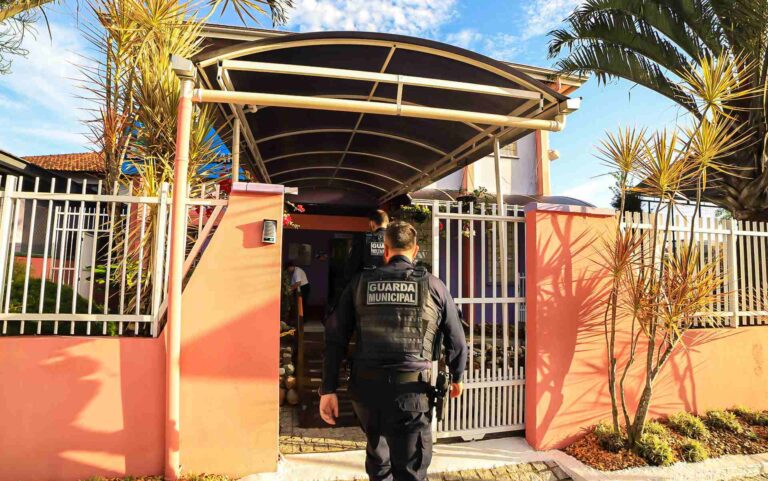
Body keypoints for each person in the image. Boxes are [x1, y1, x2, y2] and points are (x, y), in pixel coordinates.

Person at [319, 221, 467, 481]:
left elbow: (335, 339)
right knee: (411, 470)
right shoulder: (434, 285)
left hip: (367, 392)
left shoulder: (360, 283)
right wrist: (457, 376)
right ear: (416, 250)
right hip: (412, 394)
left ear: (385, 251)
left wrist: (328, 389)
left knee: (379, 462)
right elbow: (456, 338)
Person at [346, 209, 389, 278]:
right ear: (387, 223)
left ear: (371, 223)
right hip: (389, 281)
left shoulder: (364, 238)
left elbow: (353, 264)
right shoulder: (394, 238)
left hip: (368, 281)